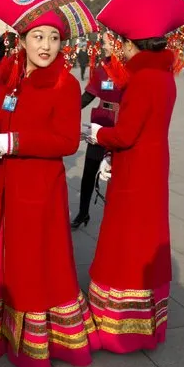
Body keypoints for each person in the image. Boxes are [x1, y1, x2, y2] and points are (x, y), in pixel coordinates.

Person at [0, 0, 101, 367]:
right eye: (38, 36)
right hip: (10, 184)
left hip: (41, 190)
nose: (46, 45)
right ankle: (11, 336)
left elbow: (67, 141)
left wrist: (13, 140)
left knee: (39, 263)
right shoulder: (9, 78)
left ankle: (39, 349)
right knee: (15, 260)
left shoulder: (65, 84)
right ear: (23, 39)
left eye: (53, 37)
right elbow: (0, 120)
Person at [85, 0, 184, 354]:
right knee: (145, 238)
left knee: (126, 242)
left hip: (135, 172)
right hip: (152, 168)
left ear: (134, 44)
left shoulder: (144, 79)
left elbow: (127, 134)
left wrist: (98, 134)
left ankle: (120, 329)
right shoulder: (164, 76)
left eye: (125, 44)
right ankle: (145, 324)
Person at [71, 36, 123, 229]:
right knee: (89, 171)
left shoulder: (130, 69)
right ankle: (83, 212)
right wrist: (65, 109)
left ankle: (115, 217)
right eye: (104, 43)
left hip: (119, 123)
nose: (104, 47)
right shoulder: (102, 69)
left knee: (114, 174)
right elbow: (88, 96)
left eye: (108, 43)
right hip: (100, 122)